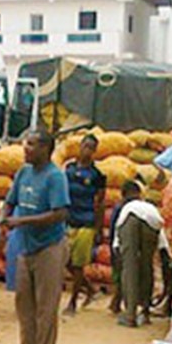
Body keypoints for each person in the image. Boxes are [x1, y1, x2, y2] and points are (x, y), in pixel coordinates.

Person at [0, 131, 69, 344]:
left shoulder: (55, 177)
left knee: (45, 305)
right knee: (23, 302)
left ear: (46, 149)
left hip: (49, 246)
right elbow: (10, 201)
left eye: (31, 144)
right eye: (25, 144)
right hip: (26, 246)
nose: (25, 148)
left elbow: (59, 213)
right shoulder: (23, 173)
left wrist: (22, 221)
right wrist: (3, 218)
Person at [63, 134, 106, 315]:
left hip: (86, 222)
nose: (86, 150)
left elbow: (101, 203)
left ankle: (72, 302)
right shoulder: (69, 169)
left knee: (79, 264)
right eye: (84, 146)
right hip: (68, 219)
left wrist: (98, 229)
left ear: (95, 151)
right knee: (65, 261)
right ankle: (90, 289)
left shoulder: (97, 176)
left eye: (90, 148)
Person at [113, 180, 164, 327]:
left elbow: (117, 241)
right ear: (139, 194)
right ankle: (146, 313)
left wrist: (117, 257)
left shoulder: (125, 208)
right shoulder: (150, 207)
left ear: (123, 195)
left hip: (130, 221)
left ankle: (130, 315)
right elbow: (162, 238)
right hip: (152, 223)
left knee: (130, 268)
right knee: (147, 267)